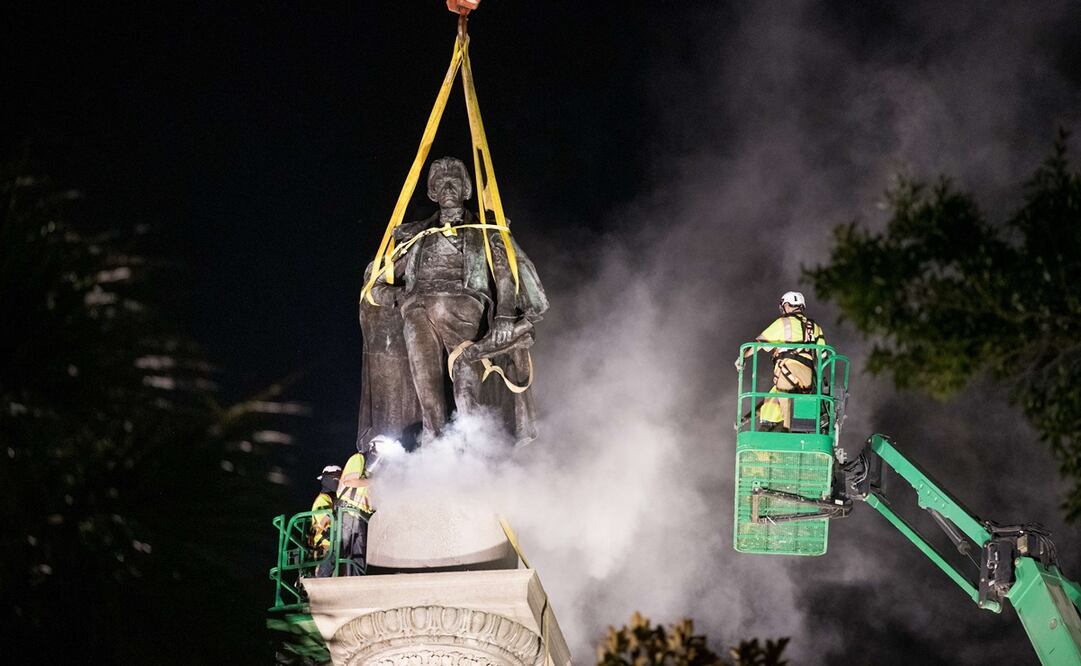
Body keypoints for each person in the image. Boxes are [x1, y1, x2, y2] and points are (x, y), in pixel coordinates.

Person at [363, 157, 548, 445]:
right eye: (440, 182)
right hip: (416, 313)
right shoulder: (417, 236)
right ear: (432, 192)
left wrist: (504, 314)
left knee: (466, 384)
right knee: (427, 395)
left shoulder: (486, 230)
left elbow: (505, 274)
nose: (447, 186)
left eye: (455, 181)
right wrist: (400, 295)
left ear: (466, 190)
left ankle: (475, 451)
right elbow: (374, 288)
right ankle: (435, 453)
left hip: (463, 308)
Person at [737, 291, 827, 431]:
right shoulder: (815, 327)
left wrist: (742, 357)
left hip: (787, 370)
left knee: (779, 406)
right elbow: (824, 356)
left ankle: (782, 435)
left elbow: (757, 345)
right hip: (808, 378)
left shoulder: (783, 323)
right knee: (797, 407)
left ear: (786, 305)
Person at [336, 437, 385, 575]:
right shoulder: (358, 459)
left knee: (358, 554)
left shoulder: (372, 473)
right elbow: (350, 482)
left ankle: (356, 582)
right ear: (372, 446)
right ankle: (323, 576)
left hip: (361, 516)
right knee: (340, 548)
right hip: (347, 512)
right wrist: (374, 482)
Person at [309, 465, 341, 577]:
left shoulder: (332, 499)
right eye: (337, 478)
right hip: (325, 546)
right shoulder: (323, 499)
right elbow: (326, 519)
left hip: (332, 544)